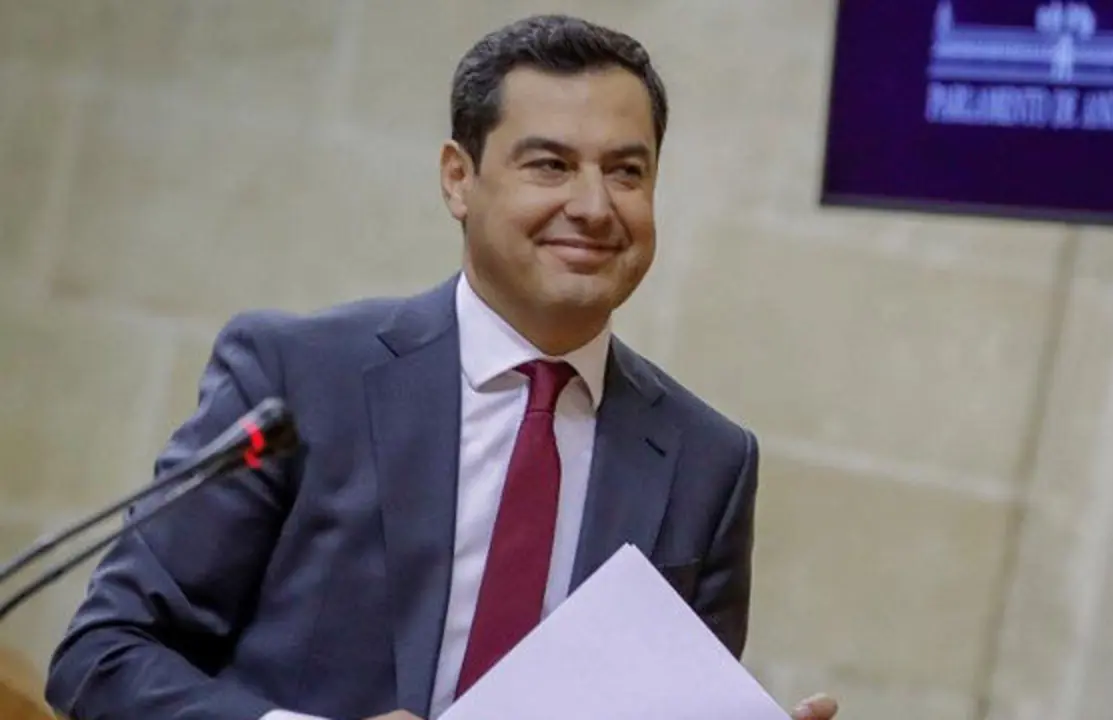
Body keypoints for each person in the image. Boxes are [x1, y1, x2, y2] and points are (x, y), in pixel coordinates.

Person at [44, 14, 838, 720]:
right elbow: (103, 660)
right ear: (459, 179)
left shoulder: (710, 461)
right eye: (551, 165)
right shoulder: (300, 378)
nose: (596, 207)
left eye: (626, 171)